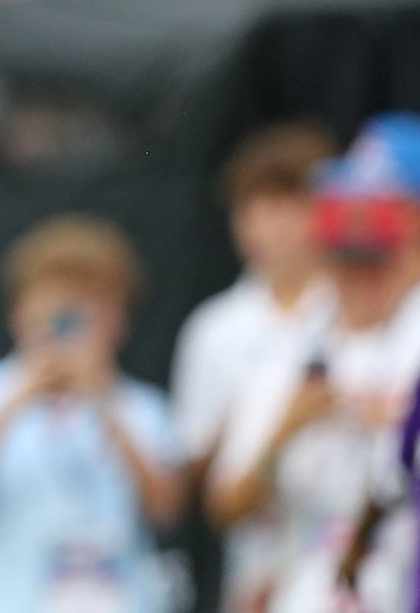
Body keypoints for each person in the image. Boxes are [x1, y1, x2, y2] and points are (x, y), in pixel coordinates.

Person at [0, 215, 184, 613]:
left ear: (120, 320)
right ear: (19, 312)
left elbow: (167, 509)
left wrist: (105, 403)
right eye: (54, 305)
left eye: (88, 306)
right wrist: (18, 399)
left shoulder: (142, 405)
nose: (68, 323)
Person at [209, 114, 420, 613]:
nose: (359, 242)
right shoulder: (296, 347)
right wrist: (289, 426)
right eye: (347, 208)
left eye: (387, 212)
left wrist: (398, 424)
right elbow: (228, 504)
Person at [170, 121, 335, 608]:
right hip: (259, 574)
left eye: (287, 206)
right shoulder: (214, 330)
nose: (269, 226)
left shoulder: (364, 311)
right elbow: (197, 464)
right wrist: (259, 434)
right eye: (253, 208)